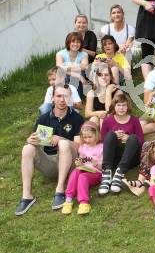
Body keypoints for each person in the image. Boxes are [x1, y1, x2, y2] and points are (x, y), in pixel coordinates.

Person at [15, 86, 84, 216]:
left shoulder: (77, 118)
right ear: (52, 98)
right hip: (50, 163)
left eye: (66, 96)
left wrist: (60, 138)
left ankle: (60, 190)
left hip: (71, 163)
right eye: (58, 96)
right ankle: (27, 196)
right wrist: (30, 140)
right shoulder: (43, 119)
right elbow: (37, 142)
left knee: (63, 144)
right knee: (27, 148)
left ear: (70, 99)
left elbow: (79, 147)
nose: (62, 100)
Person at [98, 93, 144, 195]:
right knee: (110, 135)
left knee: (133, 138)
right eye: (119, 105)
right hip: (114, 156)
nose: (121, 108)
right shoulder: (107, 121)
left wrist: (128, 138)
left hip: (130, 158)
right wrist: (115, 136)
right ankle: (107, 173)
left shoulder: (134, 120)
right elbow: (102, 142)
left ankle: (119, 173)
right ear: (114, 106)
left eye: (124, 105)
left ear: (128, 106)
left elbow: (141, 140)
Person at [62, 121, 103, 215]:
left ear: (96, 135)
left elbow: (104, 166)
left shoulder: (101, 147)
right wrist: (79, 163)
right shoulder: (83, 147)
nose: (87, 140)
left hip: (96, 173)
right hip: (84, 170)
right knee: (75, 172)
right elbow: (81, 160)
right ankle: (68, 199)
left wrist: (97, 164)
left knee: (83, 177)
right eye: (85, 137)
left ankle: (84, 203)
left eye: (90, 137)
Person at [85, 63, 122, 128]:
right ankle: (93, 137)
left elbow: (110, 112)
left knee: (104, 119)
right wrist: (98, 113)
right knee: (94, 119)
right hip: (98, 120)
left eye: (106, 75)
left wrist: (108, 92)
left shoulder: (118, 92)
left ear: (111, 77)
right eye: (100, 75)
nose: (103, 77)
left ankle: (105, 137)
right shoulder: (91, 93)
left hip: (115, 121)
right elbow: (87, 113)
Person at [56, 32, 89, 97]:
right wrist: (78, 75)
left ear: (81, 43)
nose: (75, 44)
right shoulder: (60, 54)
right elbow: (59, 68)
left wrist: (67, 67)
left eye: (78, 42)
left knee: (75, 75)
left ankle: (76, 97)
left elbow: (84, 67)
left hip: (76, 78)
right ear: (68, 43)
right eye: (73, 42)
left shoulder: (84, 54)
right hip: (67, 76)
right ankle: (62, 95)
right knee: (63, 74)